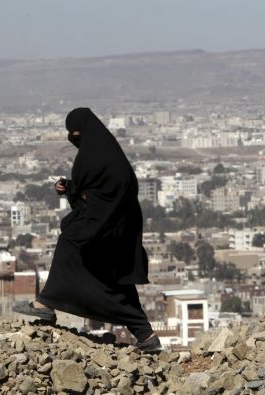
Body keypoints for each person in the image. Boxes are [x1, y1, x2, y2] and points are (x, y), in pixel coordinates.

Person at [13, 107, 160, 352]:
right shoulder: (109, 155)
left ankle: (45, 304)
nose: (74, 138)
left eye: (76, 133)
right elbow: (96, 194)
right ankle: (146, 336)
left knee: (69, 242)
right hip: (118, 231)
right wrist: (70, 188)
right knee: (115, 283)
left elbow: (96, 200)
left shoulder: (93, 158)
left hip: (106, 229)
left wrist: (73, 194)